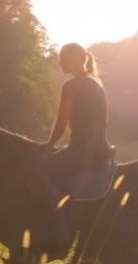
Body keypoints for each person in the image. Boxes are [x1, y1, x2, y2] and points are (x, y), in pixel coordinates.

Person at [33, 42, 112, 250]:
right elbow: (104, 123)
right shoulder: (97, 84)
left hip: (80, 151)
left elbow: (61, 123)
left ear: (74, 60)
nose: (60, 63)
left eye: (63, 59)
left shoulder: (71, 86)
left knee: (39, 171)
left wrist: (49, 145)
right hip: (102, 150)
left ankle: (57, 227)